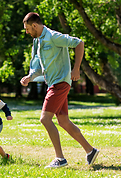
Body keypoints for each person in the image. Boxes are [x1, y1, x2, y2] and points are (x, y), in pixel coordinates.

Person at [20, 12, 99, 168]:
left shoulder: (53, 36)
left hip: (60, 83)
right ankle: (90, 151)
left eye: (28, 29)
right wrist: (30, 76)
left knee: (45, 119)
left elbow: (79, 43)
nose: (27, 32)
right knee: (63, 121)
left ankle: (60, 158)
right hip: (53, 83)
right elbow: (39, 66)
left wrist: (76, 69)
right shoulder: (37, 41)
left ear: (34, 25)